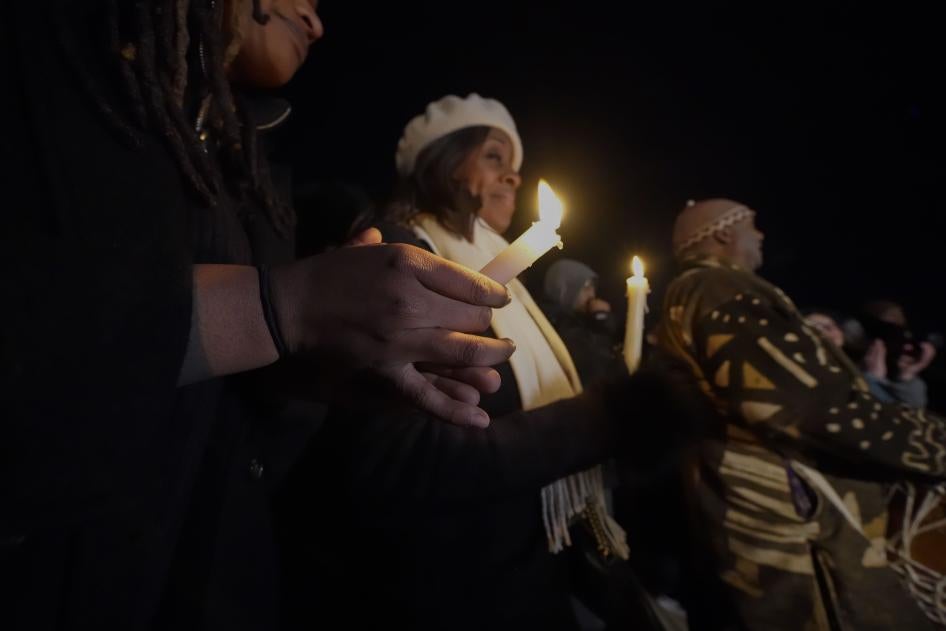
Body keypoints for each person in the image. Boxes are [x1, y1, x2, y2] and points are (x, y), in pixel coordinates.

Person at [0, 4, 518, 629]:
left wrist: (316, 368)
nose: (317, 21)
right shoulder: (64, 74)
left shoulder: (242, 162)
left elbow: (226, 424)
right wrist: (281, 308)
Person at [278, 94, 694, 630]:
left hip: (540, 563)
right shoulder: (403, 253)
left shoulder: (511, 282)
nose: (514, 177)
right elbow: (394, 457)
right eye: (494, 157)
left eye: (517, 166)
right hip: (456, 587)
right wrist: (600, 420)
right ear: (444, 161)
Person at [654, 198, 946, 629]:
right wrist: (932, 442)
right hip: (798, 543)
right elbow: (803, 408)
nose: (762, 235)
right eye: (753, 225)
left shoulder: (702, 290)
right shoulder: (715, 286)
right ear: (722, 234)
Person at [542, 258, 623, 386]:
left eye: (593, 287)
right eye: (585, 287)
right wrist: (601, 322)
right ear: (564, 288)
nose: (592, 294)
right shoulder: (560, 324)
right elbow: (595, 368)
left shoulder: (575, 321)